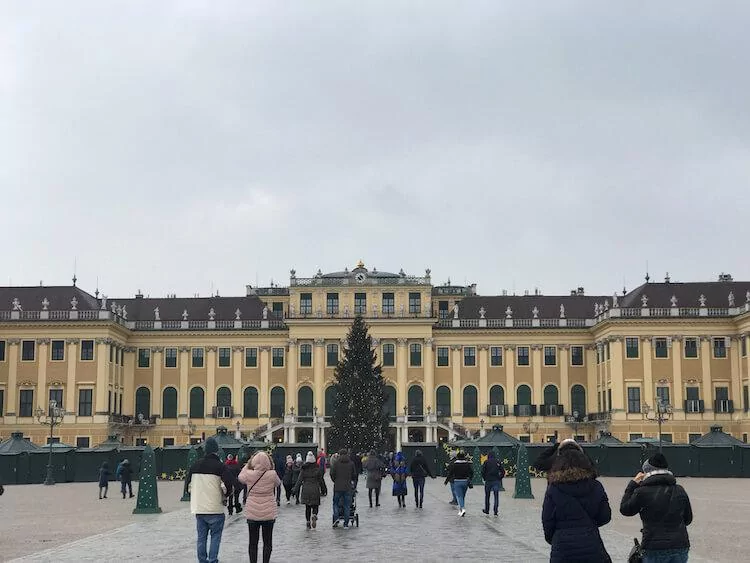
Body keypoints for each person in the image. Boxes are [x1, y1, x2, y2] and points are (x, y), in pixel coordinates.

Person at [620, 453, 693, 563]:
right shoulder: (679, 490)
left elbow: (625, 509)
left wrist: (633, 484)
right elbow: (688, 519)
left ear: (647, 472)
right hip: (680, 544)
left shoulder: (642, 492)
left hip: (653, 545)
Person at [541, 449, 612, 562]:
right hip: (591, 545)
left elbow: (547, 521)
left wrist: (556, 539)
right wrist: (588, 525)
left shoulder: (553, 489)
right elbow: (605, 516)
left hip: (562, 549)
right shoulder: (596, 486)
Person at [186, 437, 234, 563]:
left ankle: (202, 560)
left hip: (199, 508)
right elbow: (229, 484)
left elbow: (188, 488)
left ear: (205, 450)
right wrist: (226, 496)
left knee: (201, 538)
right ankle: (213, 560)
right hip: (215, 508)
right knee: (215, 537)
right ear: (216, 451)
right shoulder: (221, 466)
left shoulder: (195, 465)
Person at [240, 451, 282, 563]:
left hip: (252, 513)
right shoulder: (272, 474)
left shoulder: (248, 474)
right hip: (268, 513)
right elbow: (278, 483)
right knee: (267, 542)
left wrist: (247, 466)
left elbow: (240, 477)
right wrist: (270, 468)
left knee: (253, 542)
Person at [293, 451, 328, 529]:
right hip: (315, 489)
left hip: (306, 490)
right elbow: (321, 481)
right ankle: (314, 515)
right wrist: (324, 489)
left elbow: (299, 480)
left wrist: (295, 489)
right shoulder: (317, 469)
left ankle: (308, 522)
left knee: (307, 507)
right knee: (315, 505)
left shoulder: (303, 469)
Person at [329, 448, 357, 528]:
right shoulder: (351, 463)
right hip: (348, 487)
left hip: (338, 486)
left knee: (336, 503)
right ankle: (346, 524)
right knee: (347, 505)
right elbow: (354, 475)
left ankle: (336, 517)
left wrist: (335, 480)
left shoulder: (336, 463)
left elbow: (332, 473)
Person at [444, 451, 473, 516]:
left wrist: (446, 481)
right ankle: (460, 510)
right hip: (465, 481)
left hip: (457, 481)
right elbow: (471, 472)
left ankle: (463, 508)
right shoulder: (467, 464)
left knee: (459, 496)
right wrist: (470, 479)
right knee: (463, 496)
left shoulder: (455, 464)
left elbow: (450, 473)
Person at [481, 452, 504, 516]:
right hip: (496, 481)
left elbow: (482, 471)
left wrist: (484, 478)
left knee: (487, 496)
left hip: (488, 481)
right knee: (496, 496)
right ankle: (495, 510)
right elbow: (503, 471)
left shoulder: (486, 462)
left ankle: (487, 510)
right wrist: (500, 478)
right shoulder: (498, 462)